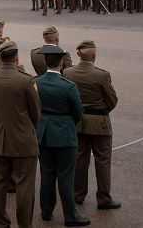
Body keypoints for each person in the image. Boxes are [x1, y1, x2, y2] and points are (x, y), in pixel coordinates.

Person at [0, 40, 41, 228]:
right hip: (23, 139)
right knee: (24, 185)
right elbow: (36, 113)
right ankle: (24, 223)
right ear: (16, 58)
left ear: (0, 58)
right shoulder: (26, 80)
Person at [33, 44, 88, 226]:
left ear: (45, 62)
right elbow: (78, 113)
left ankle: (46, 211)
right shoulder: (68, 86)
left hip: (43, 133)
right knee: (65, 176)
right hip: (64, 135)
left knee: (47, 174)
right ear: (62, 63)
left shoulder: (36, 82)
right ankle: (70, 215)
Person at [63, 40, 120, 212]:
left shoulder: (68, 72)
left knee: (80, 160)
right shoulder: (101, 75)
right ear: (94, 56)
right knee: (103, 161)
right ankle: (103, 198)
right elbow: (112, 100)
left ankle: (78, 194)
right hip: (99, 123)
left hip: (78, 122)